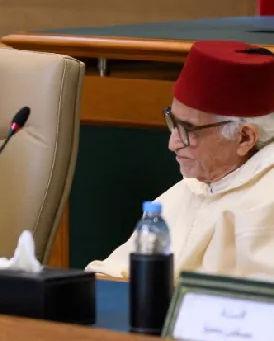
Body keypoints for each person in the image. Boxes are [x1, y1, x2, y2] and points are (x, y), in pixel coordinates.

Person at [87, 40, 274, 279]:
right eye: (173, 122)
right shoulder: (188, 188)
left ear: (244, 138)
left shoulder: (266, 202)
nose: (172, 143)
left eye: (188, 130)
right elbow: (117, 273)